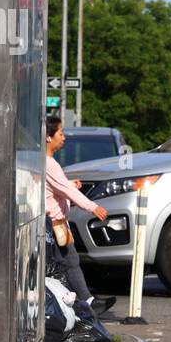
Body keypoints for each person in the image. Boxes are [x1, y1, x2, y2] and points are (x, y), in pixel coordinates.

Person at [46, 115, 113, 314]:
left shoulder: (49, 163)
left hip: (59, 222)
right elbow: (66, 191)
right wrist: (93, 207)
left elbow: (60, 187)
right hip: (55, 222)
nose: (64, 137)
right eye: (60, 133)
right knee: (68, 262)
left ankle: (85, 301)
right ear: (48, 137)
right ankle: (86, 303)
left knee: (68, 262)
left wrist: (69, 185)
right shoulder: (49, 163)